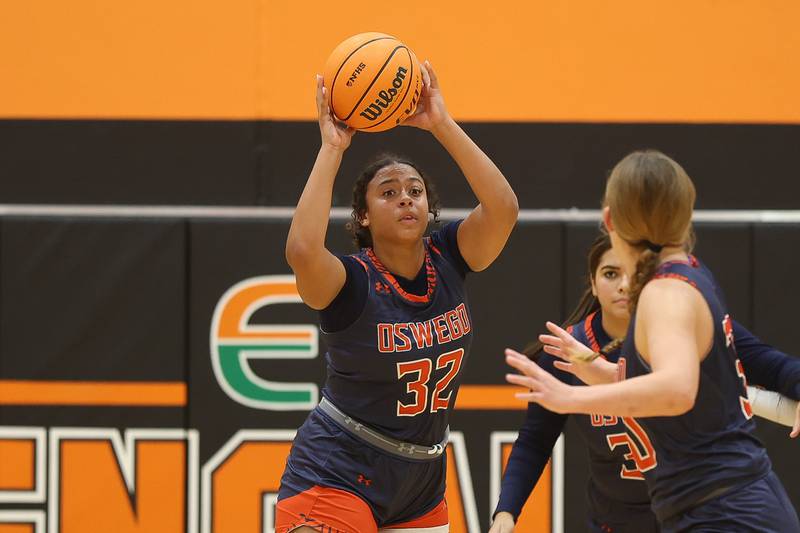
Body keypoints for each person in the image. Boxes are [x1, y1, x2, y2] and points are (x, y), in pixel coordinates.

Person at [275, 60, 518, 533]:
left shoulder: (450, 255)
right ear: (362, 217)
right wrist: (332, 147)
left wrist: (441, 124)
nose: (406, 198)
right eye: (388, 193)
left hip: (421, 479)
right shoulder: (351, 282)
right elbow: (303, 250)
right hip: (338, 466)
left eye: (415, 190)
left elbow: (503, 208)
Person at [505, 150, 800, 532]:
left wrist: (571, 397)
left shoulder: (665, 294)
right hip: (732, 505)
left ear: (608, 218)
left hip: (724, 512)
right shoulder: (689, 273)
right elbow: (680, 390)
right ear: (685, 215)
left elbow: (677, 390)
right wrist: (603, 372)